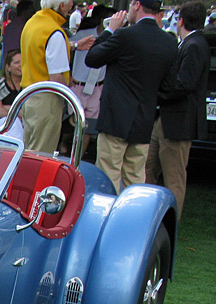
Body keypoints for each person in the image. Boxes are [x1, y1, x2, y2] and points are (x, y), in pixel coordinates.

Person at [79, 0, 178, 192]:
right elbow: (168, 86)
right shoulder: (169, 42)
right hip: (144, 117)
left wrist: (109, 31)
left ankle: (110, 218)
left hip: (115, 116)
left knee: (109, 174)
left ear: (137, 5)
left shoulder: (125, 35)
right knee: (136, 177)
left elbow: (93, 58)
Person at [145, 0, 208, 219]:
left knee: (174, 177)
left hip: (178, 122)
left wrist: (157, 94)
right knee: (148, 167)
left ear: (180, 20)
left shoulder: (195, 45)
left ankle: (171, 221)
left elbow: (184, 84)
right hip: (165, 118)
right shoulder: (189, 44)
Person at [19, 0, 74, 154]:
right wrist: (73, 99)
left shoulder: (33, 23)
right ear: (61, 5)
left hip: (29, 94)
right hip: (47, 98)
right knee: (42, 152)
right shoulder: (53, 31)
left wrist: (74, 45)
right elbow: (56, 77)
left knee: (29, 150)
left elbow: (41, 51)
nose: (72, 5)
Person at [68, 4, 112, 157]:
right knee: (72, 123)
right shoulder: (85, 35)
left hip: (97, 87)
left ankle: (79, 157)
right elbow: (67, 49)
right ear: (102, 20)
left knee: (89, 127)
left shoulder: (115, 39)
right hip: (77, 84)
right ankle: (66, 149)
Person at [0, 0, 32, 67]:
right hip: (18, 63)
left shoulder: (10, 26)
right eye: (31, 10)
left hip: (9, 62)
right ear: (25, 11)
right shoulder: (25, 27)